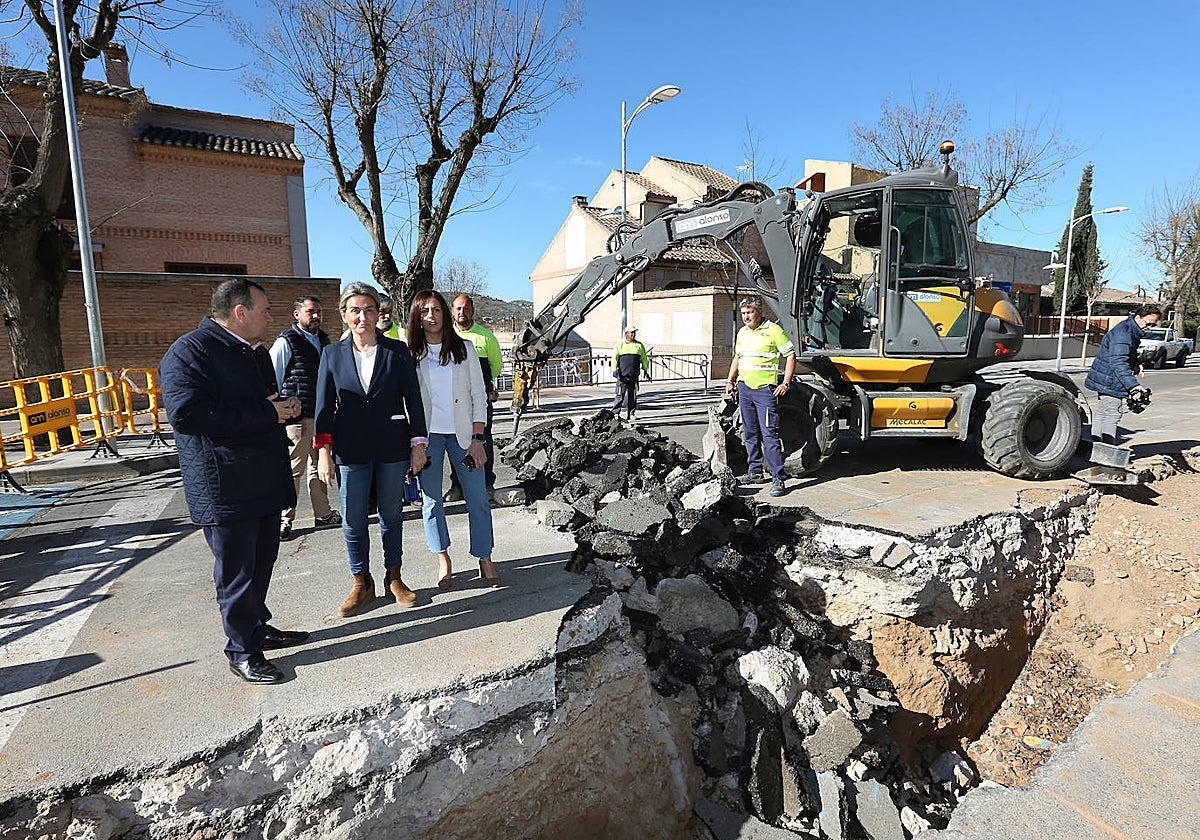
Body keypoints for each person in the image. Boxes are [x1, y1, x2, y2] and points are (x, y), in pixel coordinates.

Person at [160, 278, 309, 685]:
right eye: (264, 309)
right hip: (225, 486)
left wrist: (283, 409)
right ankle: (242, 650)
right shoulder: (189, 353)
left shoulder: (253, 353)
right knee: (237, 570)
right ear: (239, 312)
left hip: (260, 480)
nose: (270, 317)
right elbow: (188, 414)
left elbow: (258, 406)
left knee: (262, 561)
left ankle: (255, 628)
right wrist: (268, 414)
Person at [314, 282, 429, 617]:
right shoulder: (331, 354)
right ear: (345, 316)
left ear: (379, 313)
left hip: (392, 446)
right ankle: (361, 582)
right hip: (350, 450)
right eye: (355, 310)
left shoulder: (397, 351)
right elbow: (323, 408)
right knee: (352, 519)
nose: (362, 316)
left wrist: (418, 444)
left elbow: (414, 402)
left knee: (392, 514)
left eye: (369, 309)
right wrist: (324, 452)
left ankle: (394, 576)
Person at [407, 290, 500, 589]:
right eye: (425, 311)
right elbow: (407, 402)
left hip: (464, 438)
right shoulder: (411, 354)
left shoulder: (465, 349)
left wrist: (477, 438)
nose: (431, 316)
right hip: (428, 437)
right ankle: (442, 557)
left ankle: (484, 556)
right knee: (431, 502)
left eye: (436, 309)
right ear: (417, 318)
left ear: (445, 314)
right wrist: (415, 443)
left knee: (477, 498)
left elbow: (478, 396)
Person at [269, 295, 341, 541]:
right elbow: (272, 378)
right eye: (310, 312)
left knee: (318, 467)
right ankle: (283, 519)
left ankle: (323, 514)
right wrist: (278, 409)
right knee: (293, 470)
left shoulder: (324, 340)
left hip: (321, 414)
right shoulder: (285, 342)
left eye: (318, 312)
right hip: (296, 419)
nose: (316, 316)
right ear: (297, 314)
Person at [725, 295, 797, 498]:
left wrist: (786, 383)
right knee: (750, 433)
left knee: (769, 435)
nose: (747, 317)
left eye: (750, 312)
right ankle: (754, 471)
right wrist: (730, 381)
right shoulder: (742, 333)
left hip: (764, 391)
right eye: (744, 313)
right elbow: (738, 358)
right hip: (745, 389)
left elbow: (790, 355)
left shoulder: (773, 330)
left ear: (759, 311)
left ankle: (778, 478)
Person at [445, 293, 502, 500]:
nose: (462, 312)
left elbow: (496, 367)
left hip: (481, 401)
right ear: (452, 311)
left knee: (483, 440)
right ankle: (457, 486)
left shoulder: (486, 337)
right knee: (456, 442)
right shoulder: (446, 336)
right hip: (454, 401)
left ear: (473, 311)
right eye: (458, 308)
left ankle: (487, 484)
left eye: (466, 308)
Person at [1084, 303, 1160, 445]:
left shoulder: (1130, 330)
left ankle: (1095, 447)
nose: (1149, 328)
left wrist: (1135, 363)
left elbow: (1125, 353)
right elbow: (1119, 363)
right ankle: (1107, 450)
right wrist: (1134, 387)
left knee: (1103, 413)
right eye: (1148, 324)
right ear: (1138, 317)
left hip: (1107, 377)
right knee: (1112, 414)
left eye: (1153, 325)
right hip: (1111, 380)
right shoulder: (1123, 334)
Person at [612, 324, 650, 421]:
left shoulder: (639, 345)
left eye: (634, 332)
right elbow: (614, 358)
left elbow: (644, 358)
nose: (633, 334)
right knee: (620, 394)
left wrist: (645, 370)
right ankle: (616, 413)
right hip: (622, 375)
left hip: (634, 375)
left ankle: (631, 414)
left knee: (632, 396)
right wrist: (614, 369)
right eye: (631, 332)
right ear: (626, 334)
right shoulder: (620, 345)